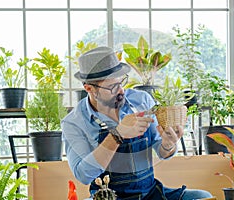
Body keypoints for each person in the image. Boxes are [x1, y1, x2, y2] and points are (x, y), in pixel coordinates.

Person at [61, 46, 213, 200]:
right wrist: (117, 135)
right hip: (107, 197)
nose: (120, 90)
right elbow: (83, 175)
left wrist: (168, 144)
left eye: (121, 83)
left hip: (150, 194)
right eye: (112, 87)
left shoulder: (141, 100)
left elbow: (162, 151)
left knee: (203, 197)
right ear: (90, 89)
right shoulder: (74, 122)